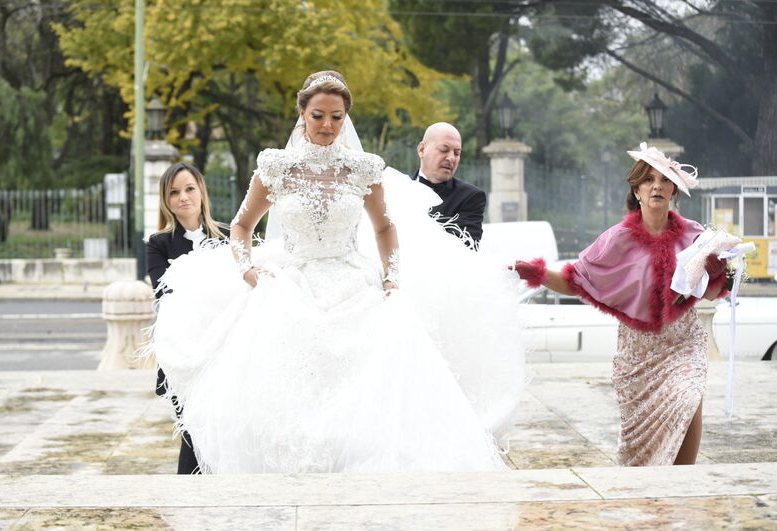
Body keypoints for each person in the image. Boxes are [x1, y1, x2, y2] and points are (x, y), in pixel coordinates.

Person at [149, 71, 524, 474]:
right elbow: (241, 227)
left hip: (352, 283)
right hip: (290, 284)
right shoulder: (276, 167)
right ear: (302, 114)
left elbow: (385, 228)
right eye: (318, 116)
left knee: (376, 387)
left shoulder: (363, 169)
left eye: (336, 116)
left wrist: (392, 277)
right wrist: (248, 271)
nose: (328, 125)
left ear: (346, 117)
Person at [512, 143, 729, 467]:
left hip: (684, 343)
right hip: (637, 354)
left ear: (673, 191)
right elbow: (577, 281)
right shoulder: (616, 239)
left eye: (664, 180)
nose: (656, 185)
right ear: (637, 191)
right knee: (638, 453)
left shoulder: (697, 236)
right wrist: (539, 274)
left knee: (687, 397)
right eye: (648, 180)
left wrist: (718, 276)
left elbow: (712, 293)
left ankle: (686, 483)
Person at [145, 162, 228, 474]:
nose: (183, 197)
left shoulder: (231, 235)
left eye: (189, 189)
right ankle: (188, 496)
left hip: (222, 347)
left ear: (201, 192)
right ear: (166, 200)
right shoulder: (158, 244)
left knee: (222, 426)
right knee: (192, 428)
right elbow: (163, 288)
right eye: (174, 192)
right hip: (182, 350)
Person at [411, 122, 486, 247]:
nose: (451, 158)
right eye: (443, 150)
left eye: (457, 153)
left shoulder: (471, 197)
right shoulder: (396, 188)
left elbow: (466, 247)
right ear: (422, 149)